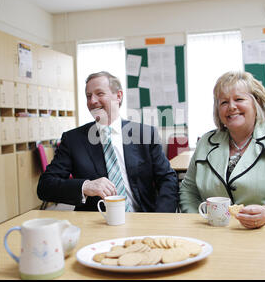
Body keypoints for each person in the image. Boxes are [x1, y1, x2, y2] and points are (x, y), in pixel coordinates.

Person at [179, 71, 265, 228]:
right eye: (224, 102)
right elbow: (188, 191)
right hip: (217, 235)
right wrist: (198, 220)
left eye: (239, 99)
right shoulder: (206, 142)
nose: (231, 107)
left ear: (257, 103)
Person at [37, 71, 179, 212]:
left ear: (118, 96)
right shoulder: (73, 140)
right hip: (97, 222)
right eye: (88, 96)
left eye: (99, 94)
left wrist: (160, 217)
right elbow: (45, 186)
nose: (92, 101)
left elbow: (168, 179)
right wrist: (85, 186)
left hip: (142, 218)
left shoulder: (145, 134)